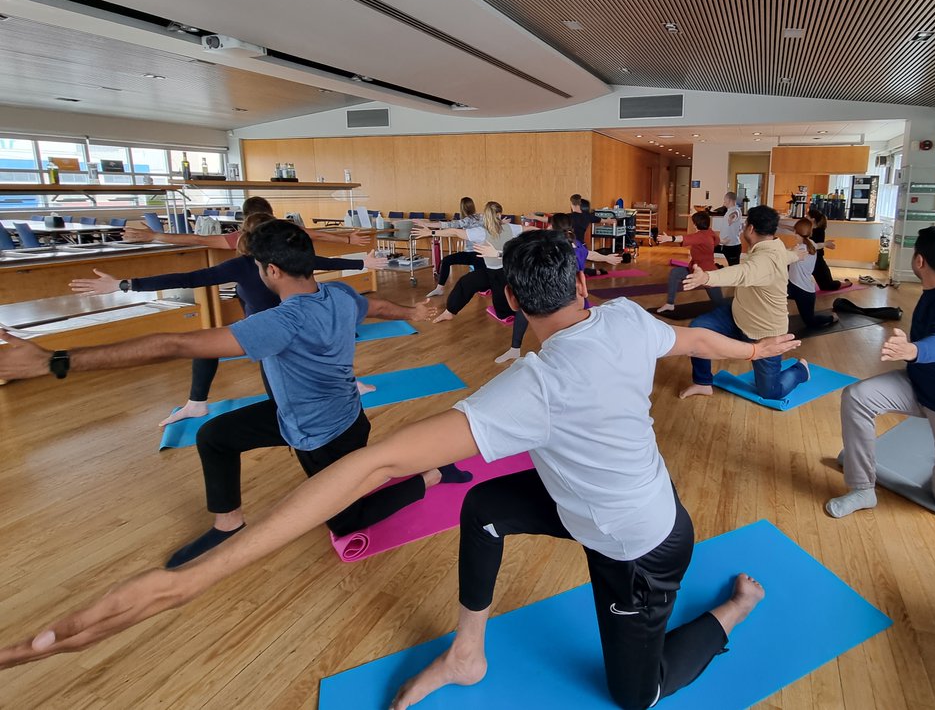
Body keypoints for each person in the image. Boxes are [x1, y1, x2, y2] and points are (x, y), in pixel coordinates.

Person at [0, 229, 801, 709]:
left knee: (639, 696)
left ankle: (732, 613)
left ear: (512, 306)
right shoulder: (624, 319)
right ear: (584, 286)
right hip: (579, 502)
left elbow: (375, 463)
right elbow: (696, 340)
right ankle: (466, 651)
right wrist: (756, 348)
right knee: (484, 506)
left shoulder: (530, 386)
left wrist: (196, 579)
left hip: (640, 541)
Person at [1, 220, 464, 568]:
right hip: (300, 414)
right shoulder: (341, 295)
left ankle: (430, 475)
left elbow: (174, 344)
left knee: (346, 520)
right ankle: (228, 523)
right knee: (215, 436)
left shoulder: (279, 324)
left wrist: (54, 361)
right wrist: (412, 312)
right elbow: (377, 305)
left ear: (270, 270)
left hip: (328, 432)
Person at [70, 212, 389, 426]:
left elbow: (324, 260)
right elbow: (187, 277)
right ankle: (197, 402)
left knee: (286, 394)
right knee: (207, 350)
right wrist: (124, 284)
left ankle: (344, 387)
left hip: (279, 329)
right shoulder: (243, 264)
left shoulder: (262, 261)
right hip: (264, 329)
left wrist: (363, 263)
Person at [826, 226, 935, 519]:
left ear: (919, 261)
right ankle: (862, 488)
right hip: (921, 387)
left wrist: (913, 351)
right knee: (857, 397)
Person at [678, 206, 811, 401]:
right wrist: (796, 255)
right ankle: (702, 382)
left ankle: (801, 370)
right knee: (699, 329)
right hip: (738, 315)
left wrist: (706, 277)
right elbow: (783, 257)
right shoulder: (775, 247)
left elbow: (742, 273)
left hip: (765, 333)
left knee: (770, 392)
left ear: (750, 229)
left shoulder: (765, 260)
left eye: (744, 225)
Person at [494, 212, 619, 364]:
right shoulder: (575, 244)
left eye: (549, 224)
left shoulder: (558, 250)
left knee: (571, 336)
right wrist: (607, 258)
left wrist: (498, 253)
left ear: (553, 227)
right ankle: (515, 349)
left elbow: (527, 258)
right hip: (572, 296)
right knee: (526, 310)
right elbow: (590, 254)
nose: (547, 226)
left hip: (568, 299)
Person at [124, 196, 370, 251]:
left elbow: (197, 238)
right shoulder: (286, 227)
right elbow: (318, 235)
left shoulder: (241, 238)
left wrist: (155, 236)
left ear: (244, 216)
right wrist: (348, 239)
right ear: (271, 212)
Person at [425, 202, 519, 323]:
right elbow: (531, 230)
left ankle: (450, 311)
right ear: (500, 215)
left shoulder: (482, 231)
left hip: (499, 272)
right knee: (467, 282)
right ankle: (449, 312)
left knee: (497, 298)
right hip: (496, 270)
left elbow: (454, 231)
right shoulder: (510, 227)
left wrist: (431, 232)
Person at [654, 210, 725, 314]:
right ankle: (670, 304)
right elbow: (716, 241)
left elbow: (684, 238)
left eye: (693, 222)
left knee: (720, 305)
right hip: (695, 269)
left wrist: (669, 238)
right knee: (675, 273)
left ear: (696, 224)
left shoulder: (701, 236)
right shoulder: (709, 232)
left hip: (707, 273)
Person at [424, 197, 486, 298]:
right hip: (482, 254)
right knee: (481, 283)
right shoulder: (481, 217)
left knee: (447, 260)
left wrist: (426, 224)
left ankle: (440, 288)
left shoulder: (466, 220)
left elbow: (449, 225)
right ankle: (440, 289)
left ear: (462, 208)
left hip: (474, 254)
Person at [785, 216, 837, 331]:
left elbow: (785, 256)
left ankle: (831, 318)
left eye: (795, 233)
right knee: (773, 292)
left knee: (810, 321)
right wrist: (826, 244)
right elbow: (818, 246)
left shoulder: (801, 250)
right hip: (792, 285)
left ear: (798, 233)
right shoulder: (811, 244)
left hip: (804, 291)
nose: (794, 235)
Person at [807, 208, 850, 292]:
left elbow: (816, 246)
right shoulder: (808, 228)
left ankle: (847, 283)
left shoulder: (819, 231)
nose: (805, 218)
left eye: (807, 216)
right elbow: (797, 229)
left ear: (813, 219)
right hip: (808, 259)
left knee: (828, 286)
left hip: (817, 261)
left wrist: (825, 244)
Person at [715, 192, 744, 266]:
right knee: (707, 248)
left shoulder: (735, 210)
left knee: (734, 269)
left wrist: (732, 217)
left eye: (725, 200)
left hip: (732, 247)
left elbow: (735, 214)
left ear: (729, 200)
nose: (724, 202)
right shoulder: (729, 210)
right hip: (724, 244)